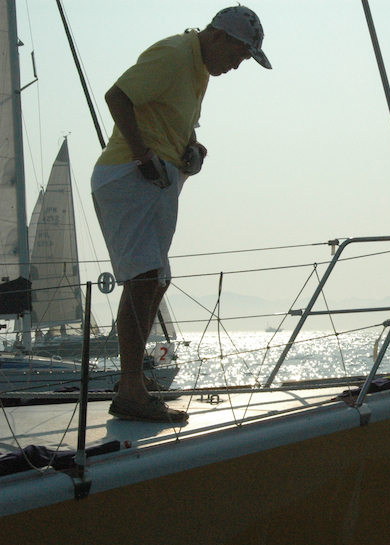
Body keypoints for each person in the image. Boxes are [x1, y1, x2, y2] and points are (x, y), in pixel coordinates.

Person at [92, 6, 271, 422]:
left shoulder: (199, 69)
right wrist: (142, 154)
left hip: (154, 181)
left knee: (156, 281)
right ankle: (131, 389)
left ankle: (132, 380)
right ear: (219, 37)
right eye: (239, 55)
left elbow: (173, 119)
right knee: (144, 280)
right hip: (129, 175)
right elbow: (117, 96)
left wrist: (191, 146)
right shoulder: (174, 54)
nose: (237, 65)